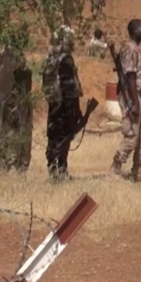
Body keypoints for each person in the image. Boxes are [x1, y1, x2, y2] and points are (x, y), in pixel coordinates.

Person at [111, 19, 141, 182]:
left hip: (139, 96)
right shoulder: (130, 50)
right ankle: (116, 167)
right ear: (134, 30)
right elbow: (131, 77)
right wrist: (133, 102)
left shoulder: (136, 49)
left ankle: (137, 170)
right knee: (132, 135)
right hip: (131, 96)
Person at [42, 26, 83, 182]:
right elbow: (68, 86)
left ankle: (53, 170)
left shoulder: (50, 58)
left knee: (53, 137)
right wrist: (74, 110)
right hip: (65, 105)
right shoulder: (65, 59)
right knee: (64, 138)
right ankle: (62, 171)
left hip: (54, 105)